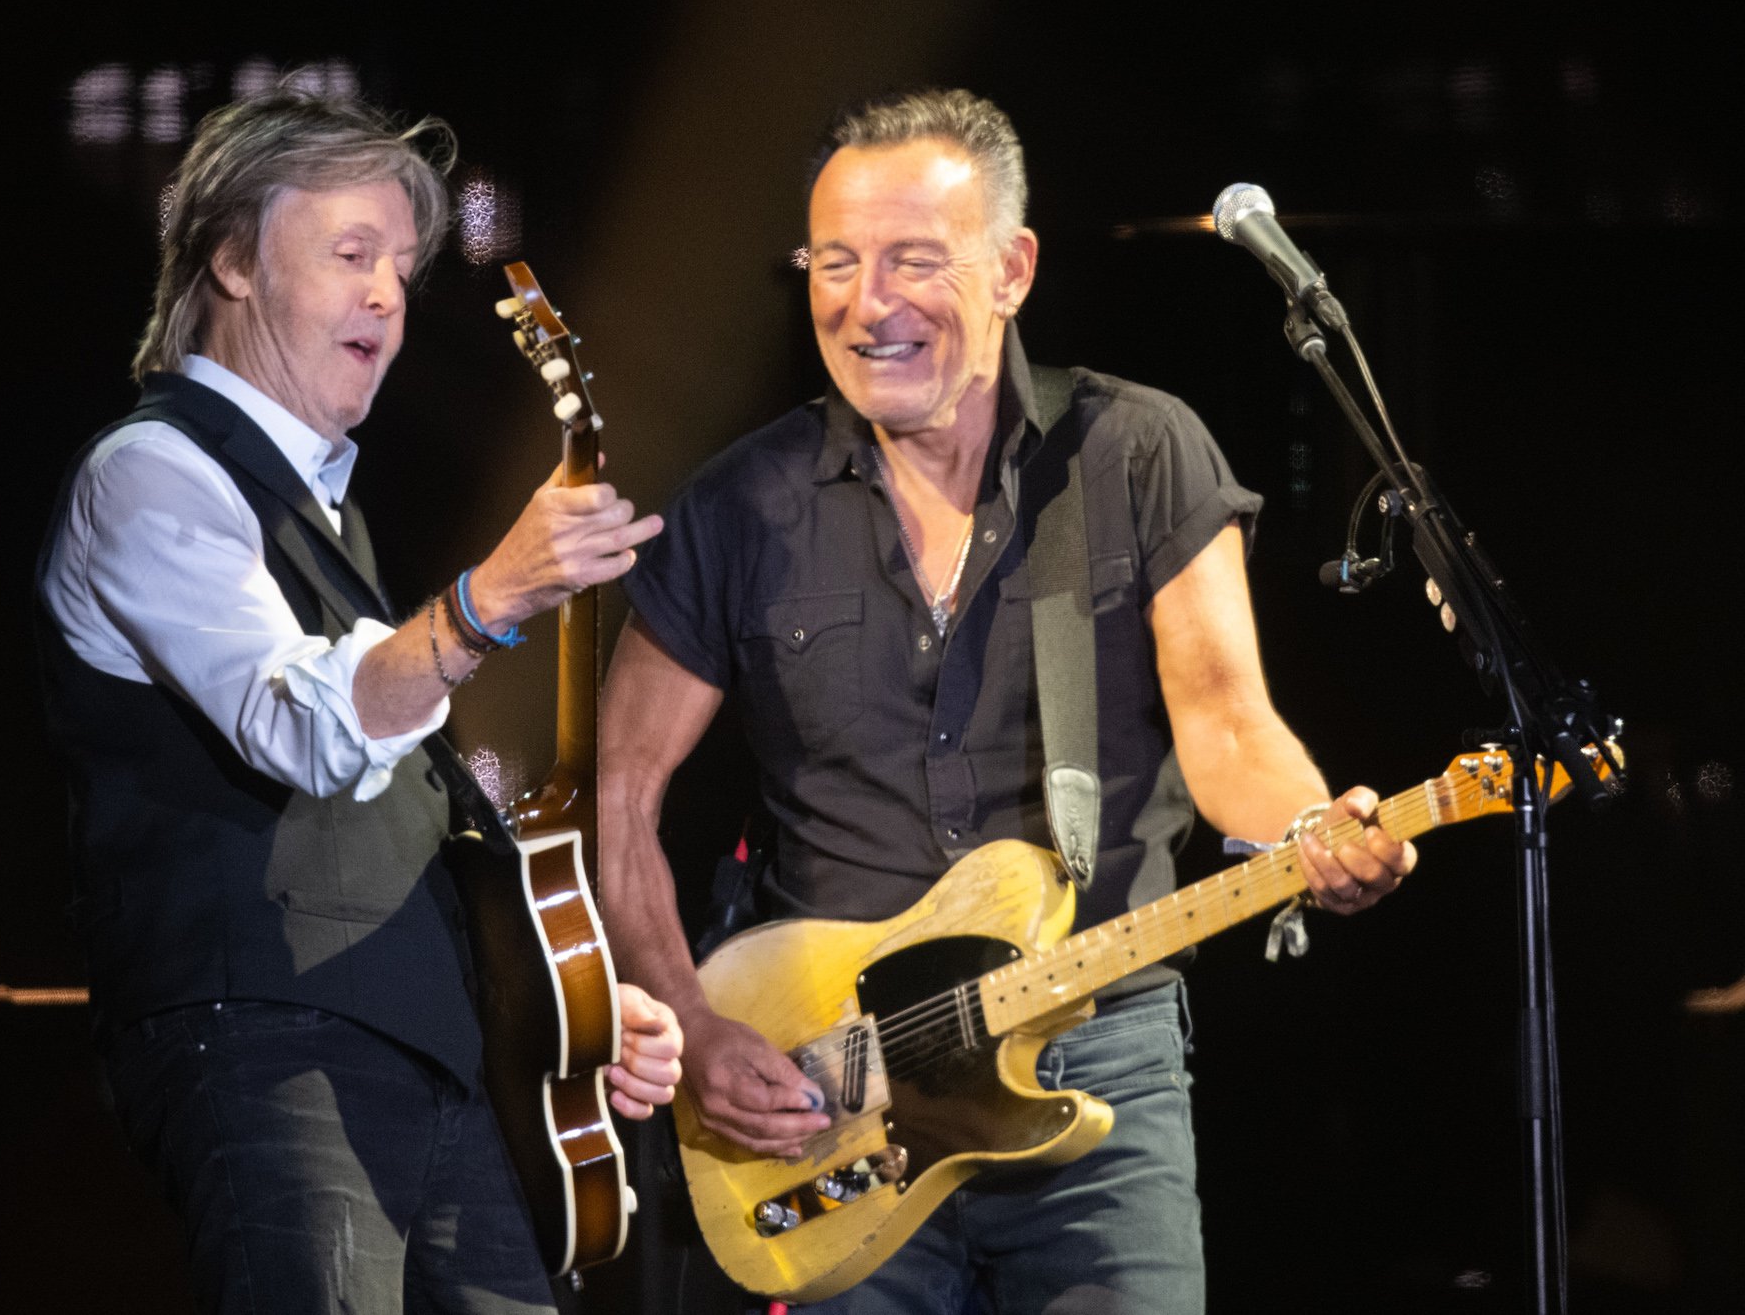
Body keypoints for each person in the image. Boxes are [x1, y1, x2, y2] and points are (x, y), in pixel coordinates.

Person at [597, 88, 1417, 1314]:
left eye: (912, 260)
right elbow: (617, 793)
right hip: (831, 1092)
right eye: (835, 261)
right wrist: (692, 1022)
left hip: (1097, 1050)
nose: (866, 302)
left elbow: (1227, 723)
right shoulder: (736, 504)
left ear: (1011, 268)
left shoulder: (1135, 451)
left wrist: (1307, 828)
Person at [37, 87, 680, 1315]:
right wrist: (487, 600)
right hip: (267, 1040)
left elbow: (401, 819)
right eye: (350, 252)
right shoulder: (152, 473)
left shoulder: (325, 517)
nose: (390, 292)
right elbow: (302, 723)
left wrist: (570, 998)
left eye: (400, 261)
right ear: (230, 257)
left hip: (424, 1046)